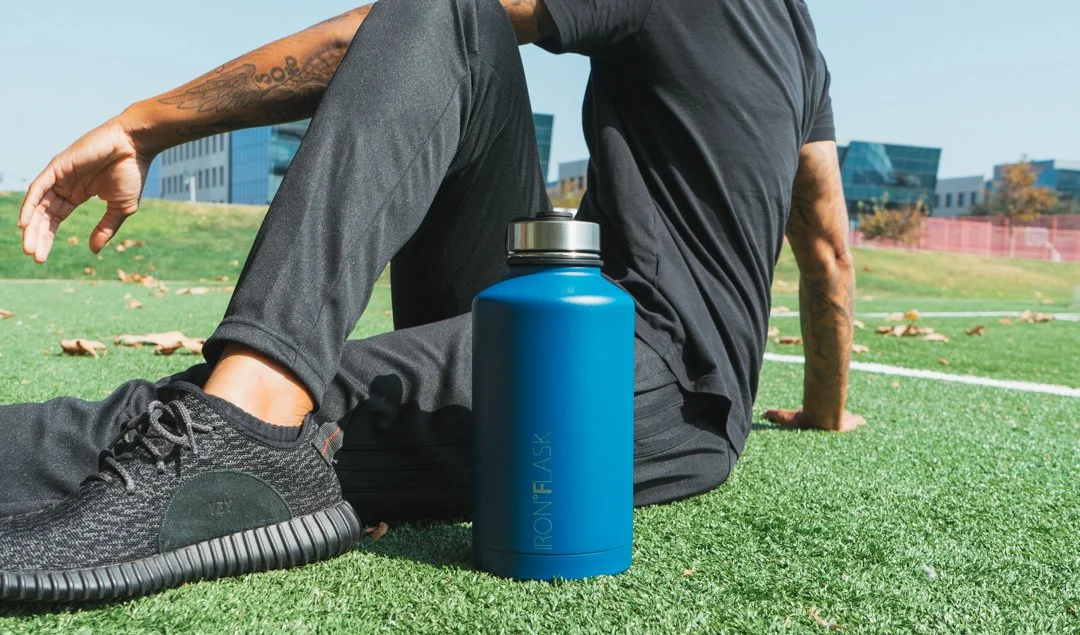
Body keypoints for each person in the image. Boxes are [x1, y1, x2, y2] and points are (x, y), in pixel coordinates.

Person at [0, 0, 864, 602]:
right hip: (612, 350)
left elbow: (381, 39)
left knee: (446, 8)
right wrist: (824, 410)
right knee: (467, 24)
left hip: (622, 386)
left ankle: (245, 422)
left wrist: (147, 123)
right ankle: (244, 419)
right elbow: (826, 247)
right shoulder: (800, 37)